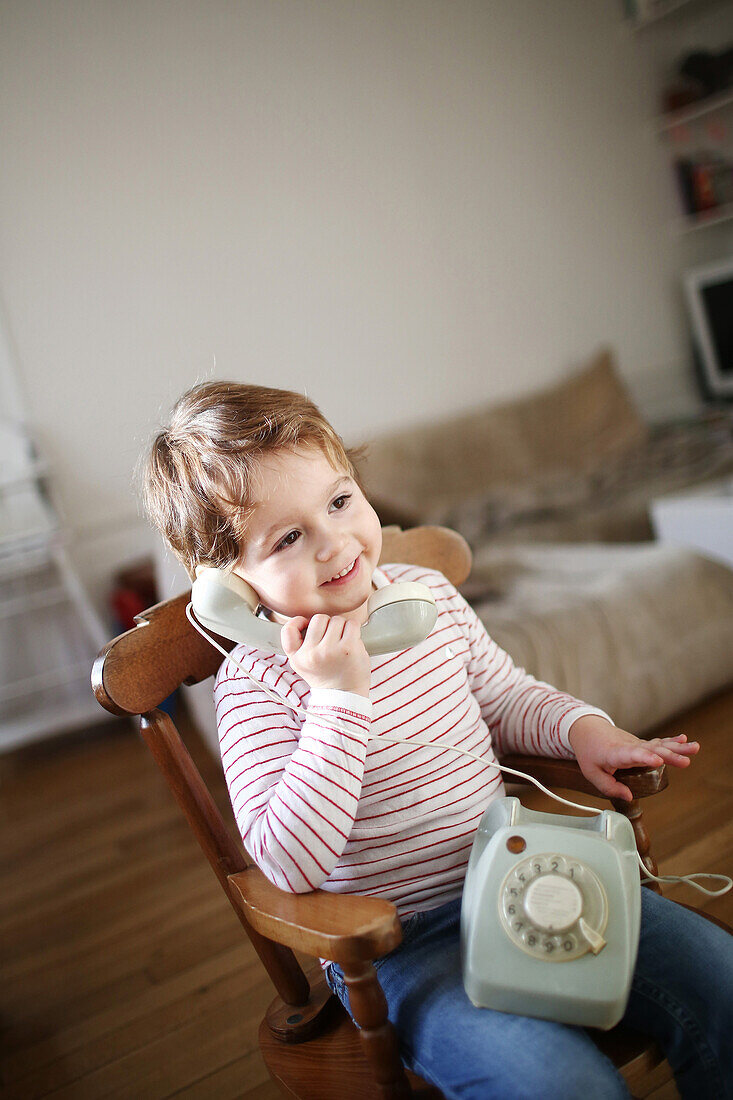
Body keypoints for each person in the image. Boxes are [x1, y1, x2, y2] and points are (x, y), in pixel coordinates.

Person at [141, 380, 732, 1100]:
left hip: (522, 874)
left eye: (339, 500)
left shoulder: (424, 600)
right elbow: (288, 865)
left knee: (720, 981)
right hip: (404, 947)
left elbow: (508, 697)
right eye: (288, 537)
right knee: (557, 1083)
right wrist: (336, 701)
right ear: (228, 586)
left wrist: (586, 731)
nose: (335, 544)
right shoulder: (256, 685)